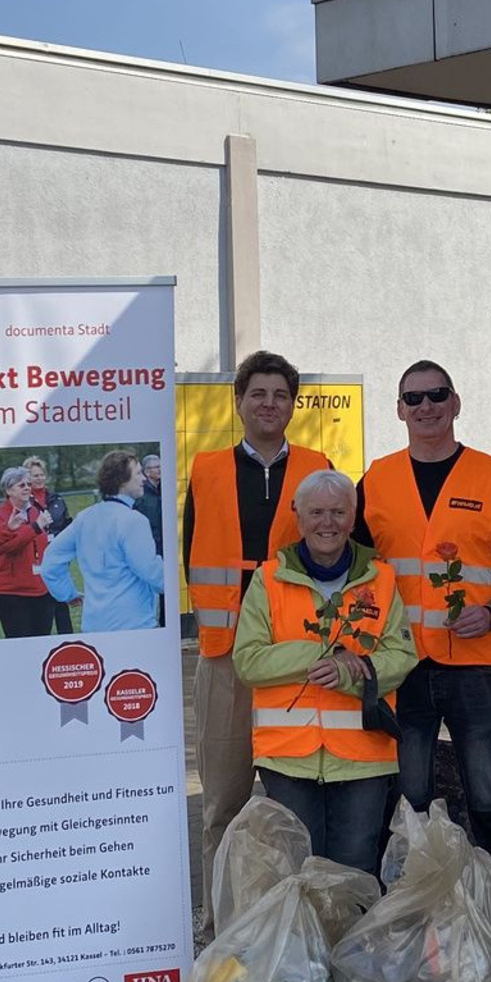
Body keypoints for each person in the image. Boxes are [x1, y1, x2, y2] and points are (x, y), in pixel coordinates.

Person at [357, 360, 491, 885]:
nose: (426, 406)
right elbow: (356, 574)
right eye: (413, 398)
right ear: (398, 410)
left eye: (437, 395)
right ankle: (418, 918)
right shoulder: (376, 479)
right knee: (408, 801)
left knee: (489, 797)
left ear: (456, 403)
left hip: (476, 668)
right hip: (403, 665)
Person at [183, 351, 331, 924]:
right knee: (223, 801)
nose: (269, 404)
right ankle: (220, 923)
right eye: (258, 394)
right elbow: (197, 552)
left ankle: (299, 920)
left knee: (299, 802)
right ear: (239, 402)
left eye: (280, 395)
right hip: (224, 659)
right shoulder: (207, 469)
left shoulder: (319, 465)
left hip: (296, 656)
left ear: (294, 405)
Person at [232, 470, 417, 874]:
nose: (327, 523)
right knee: (300, 872)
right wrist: (322, 653)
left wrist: (354, 672)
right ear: (298, 516)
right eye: (316, 512)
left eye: (338, 512)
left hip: (364, 755)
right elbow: (247, 661)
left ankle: (354, 940)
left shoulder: (381, 579)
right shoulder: (268, 579)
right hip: (287, 757)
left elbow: (402, 655)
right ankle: (308, 941)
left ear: (353, 518)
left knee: (356, 869)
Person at [43, 450, 165, 631]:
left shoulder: (84, 518)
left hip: (95, 624)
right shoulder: (134, 521)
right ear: (122, 480)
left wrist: (67, 593)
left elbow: (51, 561)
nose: (144, 479)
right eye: (138, 473)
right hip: (134, 625)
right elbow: (150, 570)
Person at [0, 465, 50, 638]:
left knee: (42, 643)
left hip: (40, 589)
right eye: (21, 485)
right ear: (8, 490)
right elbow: (8, 547)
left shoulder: (36, 512)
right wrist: (35, 528)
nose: (27, 488)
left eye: (28, 484)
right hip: (12, 592)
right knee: (20, 644)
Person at [23, 457, 74, 632]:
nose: (39, 478)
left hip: (58, 558)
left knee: (61, 603)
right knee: (42, 607)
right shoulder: (25, 503)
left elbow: (67, 525)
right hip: (36, 560)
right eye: (34, 475)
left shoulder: (56, 499)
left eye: (41, 474)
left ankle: (68, 640)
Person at [137, 453, 165, 556]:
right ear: (147, 472)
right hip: (150, 545)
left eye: (161, 466)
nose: (160, 469)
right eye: (157, 467)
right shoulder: (140, 493)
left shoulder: (165, 488)